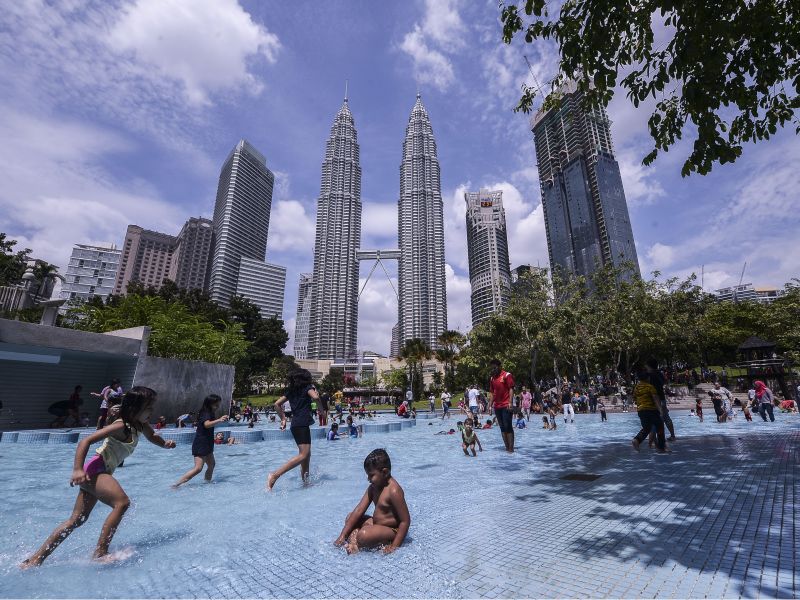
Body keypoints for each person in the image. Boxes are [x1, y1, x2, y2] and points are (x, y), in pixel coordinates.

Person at [21, 387, 176, 567]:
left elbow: (153, 436)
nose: (152, 412)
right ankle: (100, 553)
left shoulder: (140, 425)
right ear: (135, 409)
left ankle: (35, 559)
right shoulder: (120, 425)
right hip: (95, 470)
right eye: (149, 407)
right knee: (122, 503)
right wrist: (78, 469)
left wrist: (164, 444)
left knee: (76, 520)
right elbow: (85, 441)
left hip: (102, 472)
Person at [334, 449, 410, 554]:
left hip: (392, 530)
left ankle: (357, 542)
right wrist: (342, 535)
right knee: (350, 518)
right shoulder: (373, 488)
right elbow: (359, 510)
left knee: (364, 534)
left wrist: (394, 546)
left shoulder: (394, 491)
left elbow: (405, 521)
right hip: (376, 524)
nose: (368, 479)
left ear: (385, 472)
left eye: (371, 475)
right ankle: (355, 542)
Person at [267, 369, 319, 490]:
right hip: (301, 423)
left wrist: (283, 419)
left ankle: (305, 483)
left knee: (307, 455)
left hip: (296, 424)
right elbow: (316, 397)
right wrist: (321, 410)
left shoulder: (291, 390)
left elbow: (277, 404)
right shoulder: (307, 388)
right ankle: (274, 475)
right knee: (304, 454)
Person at [173, 394, 229, 488]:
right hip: (201, 443)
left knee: (211, 465)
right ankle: (176, 485)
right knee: (198, 468)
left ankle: (207, 484)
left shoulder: (210, 412)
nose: (218, 407)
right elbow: (206, 425)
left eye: (218, 404)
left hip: (207, 442)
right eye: (216, 405)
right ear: (210, 404)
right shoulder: (205, 412)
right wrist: (219, 420)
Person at [631, 371, 667, 453]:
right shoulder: (650, 387)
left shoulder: (636, 388)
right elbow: (656, 399)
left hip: (641, 410)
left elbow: (634, 399)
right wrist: (660, 410)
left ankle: (636, 440)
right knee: (660, 426)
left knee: (647, 428)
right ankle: (661, 447)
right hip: (651, 410)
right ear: (648, 378)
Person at [489, 359, 516, 453]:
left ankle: (511, 449)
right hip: (497, 406)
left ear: (499, 366)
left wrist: (510, 402)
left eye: (495, 368)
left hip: (506, 405)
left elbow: (511, 389)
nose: (493, 370)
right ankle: (507, 448)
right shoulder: (492, 378)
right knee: (502, 427)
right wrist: (490, 405)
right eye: (492, 368)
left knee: (508, 426)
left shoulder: (507, 375)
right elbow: (492, 393)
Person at [646, 359, 676, 440]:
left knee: (654, 419)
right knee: (666, 417)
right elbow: (664, 384)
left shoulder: (649, 375)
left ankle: (654, 439)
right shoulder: (660, 374)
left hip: (654, 400)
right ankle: (672, 436)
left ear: (649, 366)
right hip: (662, 398)